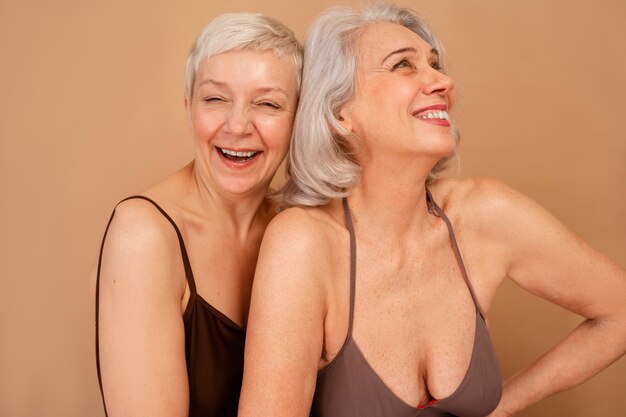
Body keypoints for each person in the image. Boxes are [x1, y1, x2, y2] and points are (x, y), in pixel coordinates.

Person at [238, 3, 626, 417]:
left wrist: (502, 406)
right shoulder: (303, 244)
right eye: (403, 65)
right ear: (339, 114)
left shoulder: (484, 215)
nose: (442, 81)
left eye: (435, 64)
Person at [93, 13, 301, 417]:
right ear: (188, 108)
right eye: (215, 98)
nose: (238, 125)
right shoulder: (143, 235)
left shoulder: (300, 226)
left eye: (268, 104)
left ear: (298, 120)